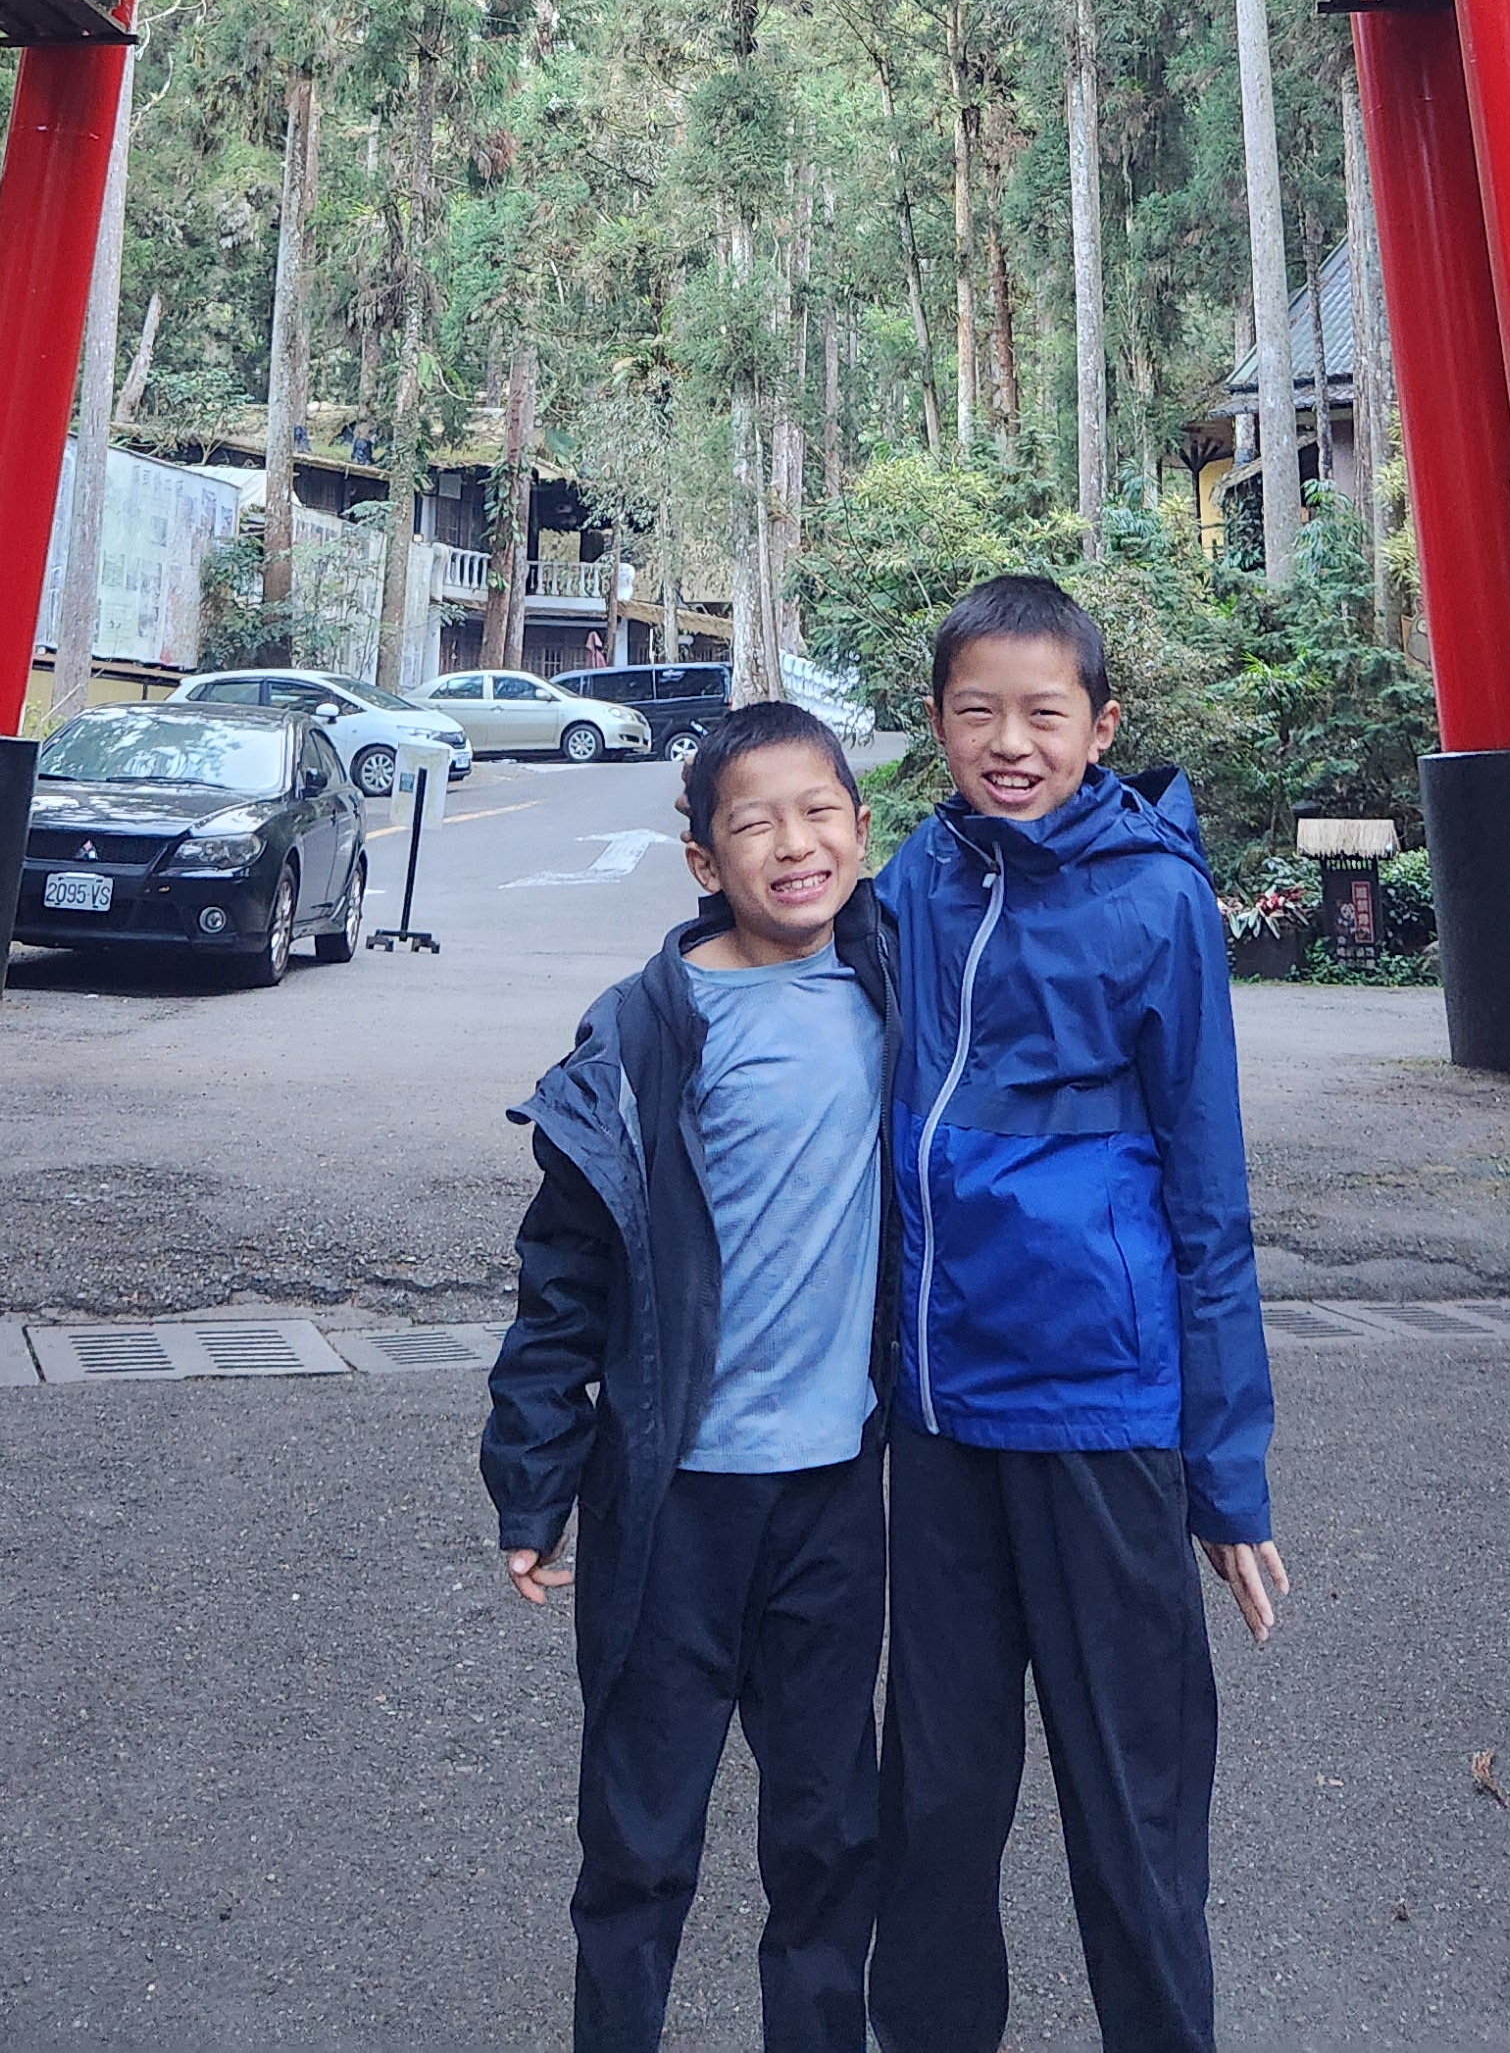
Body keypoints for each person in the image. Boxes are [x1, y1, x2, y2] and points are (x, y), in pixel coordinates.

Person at [870, 573, 1283, 2053]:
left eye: (1044, 714)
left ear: (1101, 726)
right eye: (977, 712)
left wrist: (1226, 1478)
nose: (1011, 743)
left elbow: (1209, 1201)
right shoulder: (914, 880)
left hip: (1099, 1418)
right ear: (938, 723)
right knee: (933, 1804)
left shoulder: (1154, 901)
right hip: (938, 1416)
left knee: (1133, 1806)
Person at [482, 702, 896, 2053]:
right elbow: (565, 1276)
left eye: (820, 812)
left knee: (830, 1833)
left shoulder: (896, 989)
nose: (795, 843)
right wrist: (534, 1481)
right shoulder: (645, 1032)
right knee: (640, 1836)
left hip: (834, 1492)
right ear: (706, 860)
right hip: (672, 1503)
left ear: (861, 829)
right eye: (755, 823)